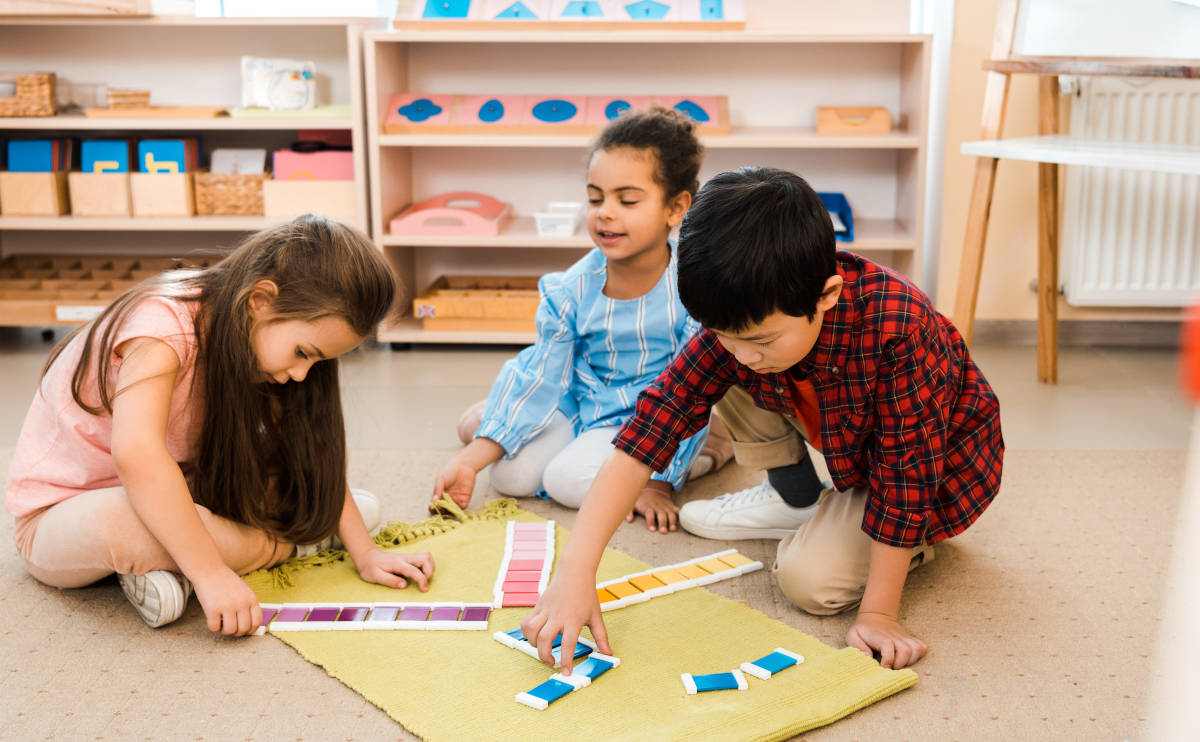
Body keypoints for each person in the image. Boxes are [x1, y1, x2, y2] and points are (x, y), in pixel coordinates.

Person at [521, 167, 1004, 671]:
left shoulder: (900, 327)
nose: (743, 354)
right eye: (724, 335)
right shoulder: (745, 325)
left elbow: (907, 477)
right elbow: (652, 427)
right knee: (716, 369)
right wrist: (575, 573)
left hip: (935, 472)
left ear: (827, 296)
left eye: (760, 339)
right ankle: (794, 498)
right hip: (841, 434)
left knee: (808, 582)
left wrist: (879, 614)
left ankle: (913, 542)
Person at [6, 215, 435, 635]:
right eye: (304, 353)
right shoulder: (162, 330)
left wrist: (366, 553)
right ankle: (293, 544)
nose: (303, 374)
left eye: (318, 361)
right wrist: (211, 574)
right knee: (119, 523)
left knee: (292, 481)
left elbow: (311, 451)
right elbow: (138, 458)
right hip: (59, 516)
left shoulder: (255, 339)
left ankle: (176, 567)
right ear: (259, 300)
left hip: (178, 488)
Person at [433, 106, 730, 532]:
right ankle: (503, 423)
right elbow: (541, 374)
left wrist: (657, 483)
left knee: (565, 482)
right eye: (595, 198)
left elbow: (689, 392)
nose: (604, 212)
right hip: (580, 401)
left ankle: (711, 449)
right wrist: (469, 460)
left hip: (648, 419)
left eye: (627, 200)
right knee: (510, 477)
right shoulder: (570, 288)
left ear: (676, 207)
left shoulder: (692, 290)